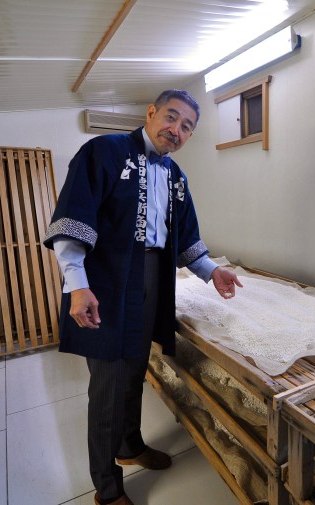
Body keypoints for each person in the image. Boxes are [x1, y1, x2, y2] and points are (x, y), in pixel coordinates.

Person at [43, 89, 242, 505]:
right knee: (108, 386)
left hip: (153, 278)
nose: (177, 130)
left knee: (135, 369)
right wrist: (78, 286)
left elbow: (186, 239)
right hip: (106, 281)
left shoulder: (176, 177)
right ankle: (106, 487)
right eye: (172, 118)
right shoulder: (103, 151)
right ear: (150, 113)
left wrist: (212, 271)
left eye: (187, 126)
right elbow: (74, 221)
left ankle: (129, 446)